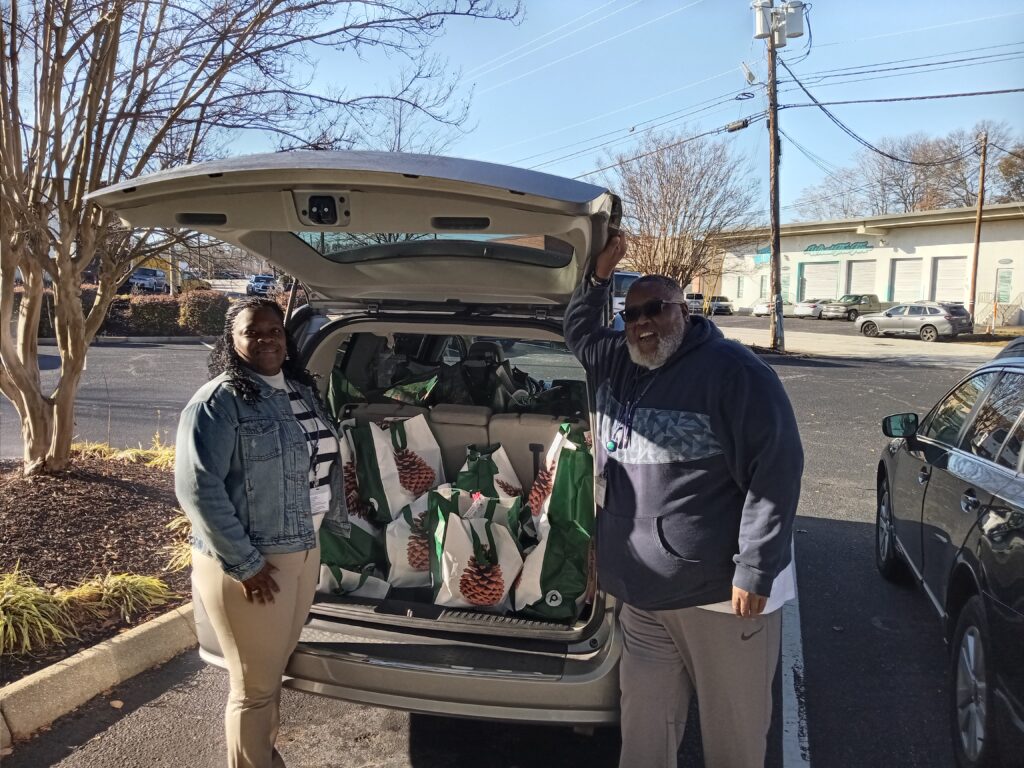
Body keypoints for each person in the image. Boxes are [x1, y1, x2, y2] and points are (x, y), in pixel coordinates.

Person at [564, 234, 803, 768]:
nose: (643, 322)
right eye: (632, 314)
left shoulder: (732, 371)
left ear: (686, 310)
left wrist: (755, 568)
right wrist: (597, 279)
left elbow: (778, 467)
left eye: (657, 310)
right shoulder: (621, 360)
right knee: (645, 731)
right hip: (644, 595)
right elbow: (579, 332)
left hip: (720, 596)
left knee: (733, 740)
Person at [175, 296, 349, 768]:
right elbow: (198, 491)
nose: (267, 339)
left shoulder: (298, 390)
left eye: (275, 330)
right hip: (253, 562)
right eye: (253, 331)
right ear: (232, 339)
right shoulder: (219, 400)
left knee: (272, 677)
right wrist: (247, 565)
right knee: (252, 689)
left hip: (302, 550)